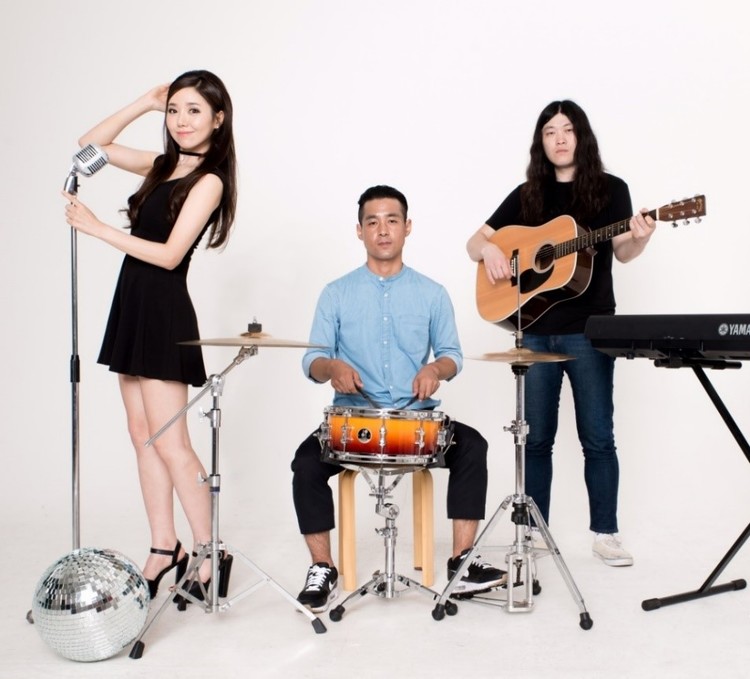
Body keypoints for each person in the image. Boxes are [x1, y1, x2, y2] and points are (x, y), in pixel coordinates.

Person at [62, 70, 238, 599]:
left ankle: (209, 550)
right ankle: (165, 546)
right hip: (132, 305)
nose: (181, 120)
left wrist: (98, 228)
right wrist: (144, 101)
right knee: (141, 435)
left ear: (218, 119)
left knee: (171, 442)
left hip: (163, 311)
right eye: (174, 109)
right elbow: (90, 145)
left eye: (194, 111)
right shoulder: (162, 165)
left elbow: (168, 255)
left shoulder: (209, 181)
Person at [291, 185, 505, 613]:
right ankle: (322, 568)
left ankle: (462, 561)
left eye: (392, 220)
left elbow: (452, 355)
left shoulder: (432, 292)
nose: (383, 230)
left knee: (473, 446)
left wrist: (435, 370)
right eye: (372, 222)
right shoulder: (336, 292)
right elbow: (312, 360)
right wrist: (331, 367)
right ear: (359, 231)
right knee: (305, 464)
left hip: (416, 423)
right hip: (354, 424)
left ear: (407, 227)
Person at [466, 100, 656, 567]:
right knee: (535, 440)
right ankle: (533, 534)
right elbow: (474, 242)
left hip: (590, 331)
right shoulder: (528, 193)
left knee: (598, 437)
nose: (559, 138)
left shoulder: (612, 190)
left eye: (567, 129)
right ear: (541, 143)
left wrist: (641, 235)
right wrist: (490, 249)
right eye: (550, 131)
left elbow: (623, 253)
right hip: (534, 330)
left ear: (581, 136)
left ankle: (606, 534)